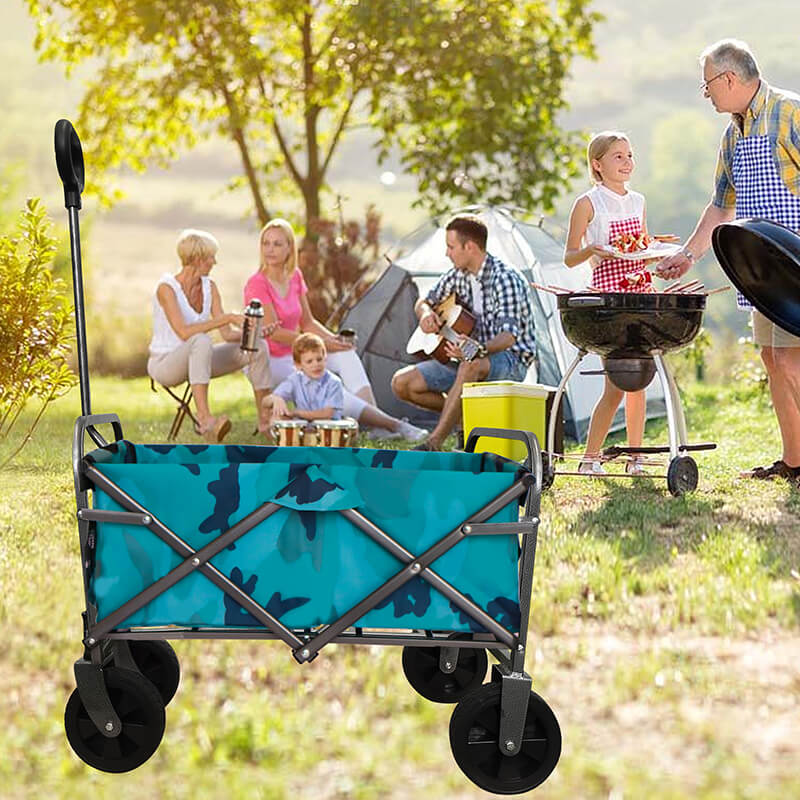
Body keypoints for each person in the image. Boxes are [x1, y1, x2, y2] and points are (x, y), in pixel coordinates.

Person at [657, 39, 800, 485]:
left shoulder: (790, 112)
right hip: (762, 270)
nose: (708, 95)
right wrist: (687, 256)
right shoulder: (733, 133)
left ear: (730, 78)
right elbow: (721, 206)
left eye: (708, 87)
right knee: (774, 360)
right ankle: (794, 463)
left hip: (796, 263)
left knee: (794, 363)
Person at [243, 218, 427, 441]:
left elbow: (308, 322)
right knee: (326, 384)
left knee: (346, 353)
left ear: (290, 248)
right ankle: (394, 424)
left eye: (277, 244)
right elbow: (274, 332)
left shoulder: (295, 277)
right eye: (266, 243)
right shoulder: (257, 284)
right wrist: (322, 345)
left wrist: (334, 341)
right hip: (273, 360)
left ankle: (374, 425)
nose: (270, 249)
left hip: (301, 353)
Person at [391, 215, 536, 451]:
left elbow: (508, 337)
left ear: (470, 247)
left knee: (471, 365)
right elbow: (424, 301)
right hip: (464, 359)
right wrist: (426, 314)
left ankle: (434, 442)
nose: (447, 253)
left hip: (510, 360)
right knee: (402, 383)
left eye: (451, 247)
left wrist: (476, 349)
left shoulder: (505, 278)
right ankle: (463, 420)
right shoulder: (458, 274)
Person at [563, 131, 651, 475]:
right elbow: (570, 256)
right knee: (616, 385)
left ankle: (635, 458)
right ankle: (590, 458)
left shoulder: (639, 201)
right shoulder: (588, 203)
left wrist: (652, 254)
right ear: (597, 165)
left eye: (629, 155)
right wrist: (591, 250)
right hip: (607, 300)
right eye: (618, 156)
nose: (627, 162)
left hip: (638, 292)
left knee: (641, 381)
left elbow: (641, 246)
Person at [147, 229, 273, 443]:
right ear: (196, 259)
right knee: (200, 339)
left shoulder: (209, 287)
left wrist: (252, 332)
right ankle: (205, 422)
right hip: (165, 363)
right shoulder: (166, 288)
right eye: (210, 257)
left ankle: (266, 421)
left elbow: (226, 334)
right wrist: (227, 318)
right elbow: (184, 332)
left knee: (258, 347)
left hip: (200, 358)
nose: (215, 262)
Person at [269, 333, 344, 422]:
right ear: (298, 365)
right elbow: (268, 399)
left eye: (319, 359)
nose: (316, 364)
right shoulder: (295, 379)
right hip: (304, 427)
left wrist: (298, 413)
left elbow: (327, 414)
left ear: (325, 358)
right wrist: (276, 399)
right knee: (275, 417)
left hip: (327, 430)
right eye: (309, 361)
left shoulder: (334, 382)